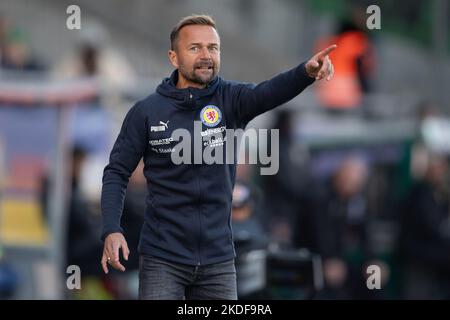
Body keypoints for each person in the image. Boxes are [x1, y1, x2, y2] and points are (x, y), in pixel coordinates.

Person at [100, 14, 336, 300]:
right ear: (173, 57)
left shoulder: (232, 100)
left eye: (213, 48)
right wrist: (112, 229)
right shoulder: (146, 112)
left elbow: (269, 92)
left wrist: (305, 73)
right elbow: (116, 173)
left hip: (218, 261)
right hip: (162, 259)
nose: (206, 55)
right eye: (195, 48)